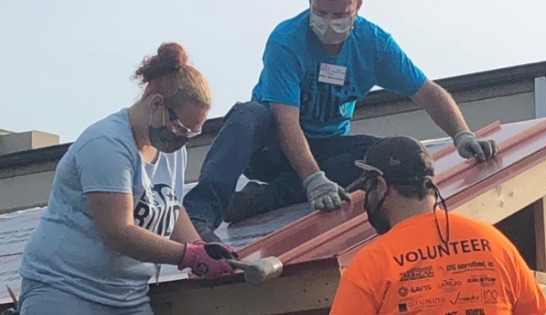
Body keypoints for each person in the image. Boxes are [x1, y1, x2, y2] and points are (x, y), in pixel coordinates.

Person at [183, 0, 498, 242]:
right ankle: (200, 215)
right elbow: (286, 122)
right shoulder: (286, 41)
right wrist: (313, 180)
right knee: (248, 115)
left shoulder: (374, 44)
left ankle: (262, 199)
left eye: (339, 14)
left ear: (358, 6)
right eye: (322, 13)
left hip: (325, 150)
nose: (329, 23)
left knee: (381, 155)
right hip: (271, 146)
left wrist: (462, 135)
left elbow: (427, 91)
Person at [18, 43, 237, 315]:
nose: (182, 138)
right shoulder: (106, 144)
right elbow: (119, 232)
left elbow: (170, 205)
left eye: (191, 134)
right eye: (181, 127)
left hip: (127, 298)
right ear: (157, 103)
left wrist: (204, 250)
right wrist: (189, 256)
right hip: (65, 290)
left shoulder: (171, 151)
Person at [329, 136, 546, 314]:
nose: (367, 199)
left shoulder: (372, 263)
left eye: (368, 188)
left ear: (381, 184)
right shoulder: (494, 243)